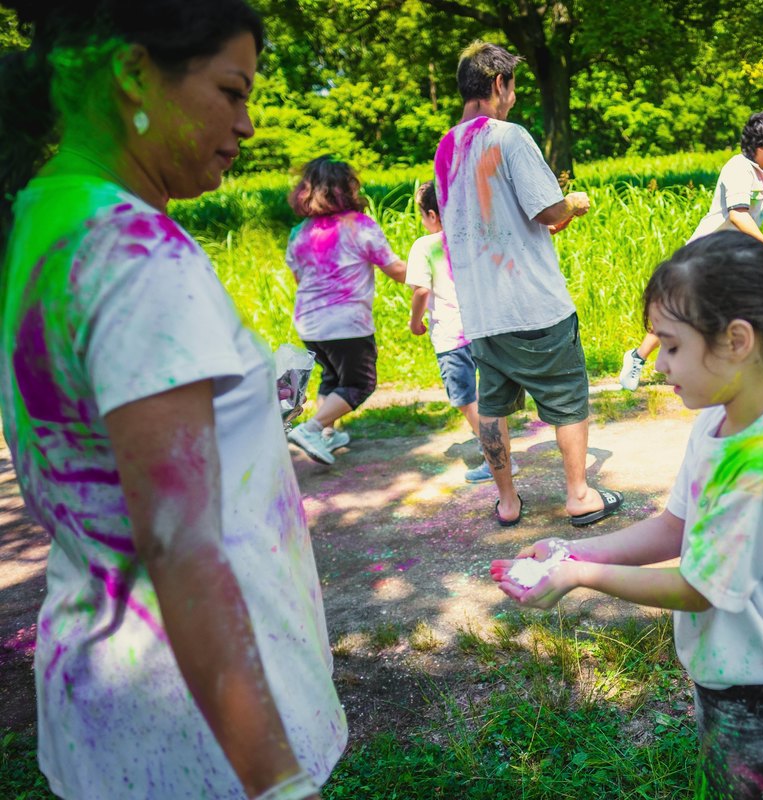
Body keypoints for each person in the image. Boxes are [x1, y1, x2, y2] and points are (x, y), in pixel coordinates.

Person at [0, 2, 345, 798]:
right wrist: (278, 782)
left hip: (108, 704)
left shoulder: (40, 216)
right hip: (196, 738)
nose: (249, 125)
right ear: (131, 72)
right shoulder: (135, 251)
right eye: (232, 91)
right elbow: (179, 545)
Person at [492, 231, 763, 799]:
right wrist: (575, 551)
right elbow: (673, 527)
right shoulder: (719, 419)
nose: (660, 365)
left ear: (736, 341)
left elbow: (700, 587)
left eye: (672, 346)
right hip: (733, 676)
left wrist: (580, 578)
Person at [434, 40, 622, 527]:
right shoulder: (509, 136)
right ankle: (579, 495)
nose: (513, 97)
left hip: (480, 311)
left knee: (493, 404)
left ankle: (508, 502)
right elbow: (547, 209)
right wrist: (574, 203)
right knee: (567, 398)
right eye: (512, 87)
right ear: (499, 83)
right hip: (533, 306)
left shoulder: (446, 147)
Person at [619, 111, 763, 391]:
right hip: (705, 254)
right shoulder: (738, 169)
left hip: (734, 255)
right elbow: (739, 215)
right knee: (679, 310)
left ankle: (737, 365)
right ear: (761, 144)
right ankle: (638, 357)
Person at [285, 155, 406, 465]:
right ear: (347, 188)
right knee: (360, 383)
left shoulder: (300, 232)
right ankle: (310, 429)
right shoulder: (360, 226)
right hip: (347, 324)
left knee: (332, 377)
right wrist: (432, 272)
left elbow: (299, 278)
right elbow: (395, 270)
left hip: (309, 323)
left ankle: (325, 435)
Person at [406, 180, 519, 484]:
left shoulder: (424, 246)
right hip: (482, 329)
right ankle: (501, 454)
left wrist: (415, 322)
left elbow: (420, 292)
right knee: (486, 396)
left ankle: (498, 458)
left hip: (451, 335)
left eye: (421, 214)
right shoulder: (472, 239)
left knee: (464, 398)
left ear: (432, 214)